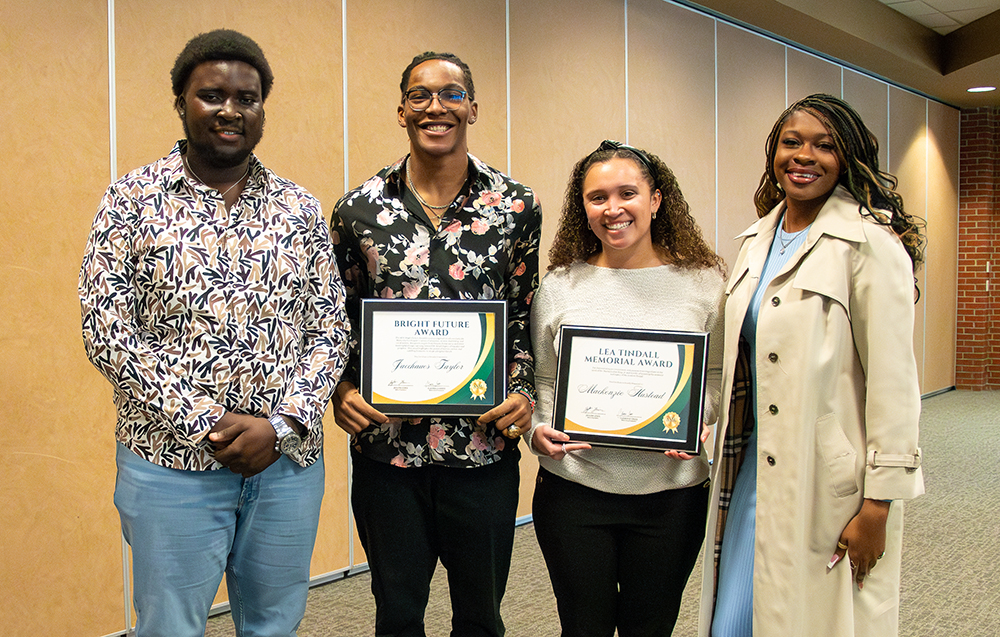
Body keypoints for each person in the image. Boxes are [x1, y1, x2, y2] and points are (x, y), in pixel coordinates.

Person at [78, 29, 349, 637]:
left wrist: (279, 426)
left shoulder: (297, 208)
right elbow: (106, 328)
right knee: (170, 626)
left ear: (261, 109)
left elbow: (330, 330)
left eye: (247, 98)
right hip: (170, 464)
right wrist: (209, 423)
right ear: (181, 101)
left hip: (286, 464)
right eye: (212, 95)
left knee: (275, 624)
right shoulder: (132, 200)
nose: (231, 110)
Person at [329, 51, 541, 636]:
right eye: (420, 95)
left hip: (483, 449)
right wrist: (342, 387)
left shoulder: (517, 207)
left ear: (472, 106)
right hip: (387, 454)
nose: (436, 107)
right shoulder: (357, 210)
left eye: (451, 93)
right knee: (397, 615)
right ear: (401, 112)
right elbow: (337, 319)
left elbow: (523, 313)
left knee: (480, 616)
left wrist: (522, 392)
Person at [700, 94, 926, 637]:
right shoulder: (756, 239)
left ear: (847, 157)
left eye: (825, 146)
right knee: (735, 618)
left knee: (804, 620)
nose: (805, 156)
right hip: (751, 463)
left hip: (826, 480)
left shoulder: (870, 243)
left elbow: (895, 384)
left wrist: (879, 505)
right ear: (773, 153)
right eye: (792, 142)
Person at [528, 140, 726, 636]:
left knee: (650, 626)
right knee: (583, 626)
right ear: (584, 208)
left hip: (670, 496)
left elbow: (718, 374)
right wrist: (536, 431)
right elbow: (545, 379)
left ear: (656, 200)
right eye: (597, 198)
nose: (612, 209)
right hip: (576, 490)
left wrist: (700, 421)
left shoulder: (704, 282)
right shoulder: (560, 285)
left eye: (627, 193)